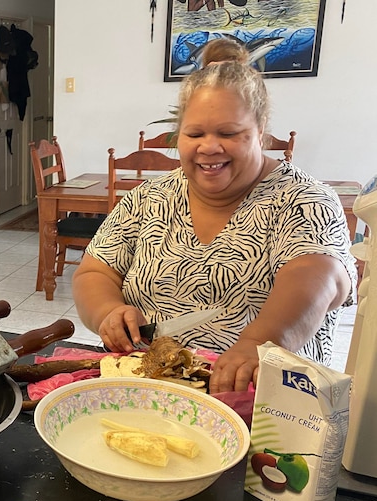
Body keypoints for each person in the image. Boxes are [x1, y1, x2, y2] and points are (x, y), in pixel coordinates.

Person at [72, 61, 355, 394]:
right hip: (144, 394)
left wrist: (257, 342)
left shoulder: (304, 199)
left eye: (228, 133)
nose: (208, 147)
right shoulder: (147, 198)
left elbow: (319, 277)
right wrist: (109, 312)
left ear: (260, 129)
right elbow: (95, 273)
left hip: (263, 406)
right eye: (194, 134)